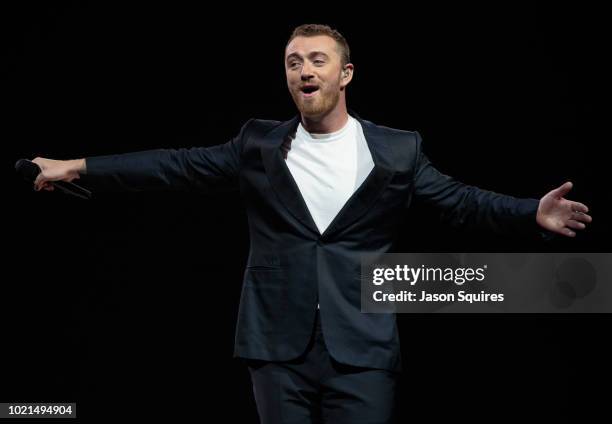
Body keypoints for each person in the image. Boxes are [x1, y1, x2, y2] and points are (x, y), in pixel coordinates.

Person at [31, 24, 591, 424]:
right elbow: (175, 166)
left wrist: (529, 212)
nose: (304, 69)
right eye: (294, 61)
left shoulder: (396, 150)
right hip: (277, 343)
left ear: (345, 73)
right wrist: (77, 166)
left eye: (317, 59)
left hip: (362, 345)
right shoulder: (258, 143)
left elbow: (460, 201)